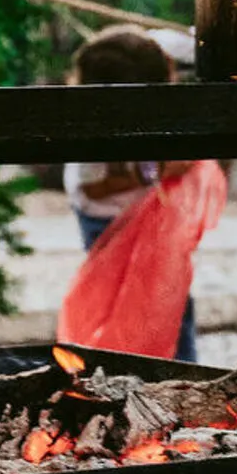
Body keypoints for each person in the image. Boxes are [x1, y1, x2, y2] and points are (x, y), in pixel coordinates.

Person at [64, 26, 197, 362]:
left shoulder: (149, 51)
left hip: (143, 210)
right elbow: (93, 186)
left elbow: (194, 44)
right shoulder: (92, 128)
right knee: (125, 305)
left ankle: (179, 371)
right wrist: (157, 172)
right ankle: (136, 375)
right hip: (107, 219)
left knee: (171, 298)